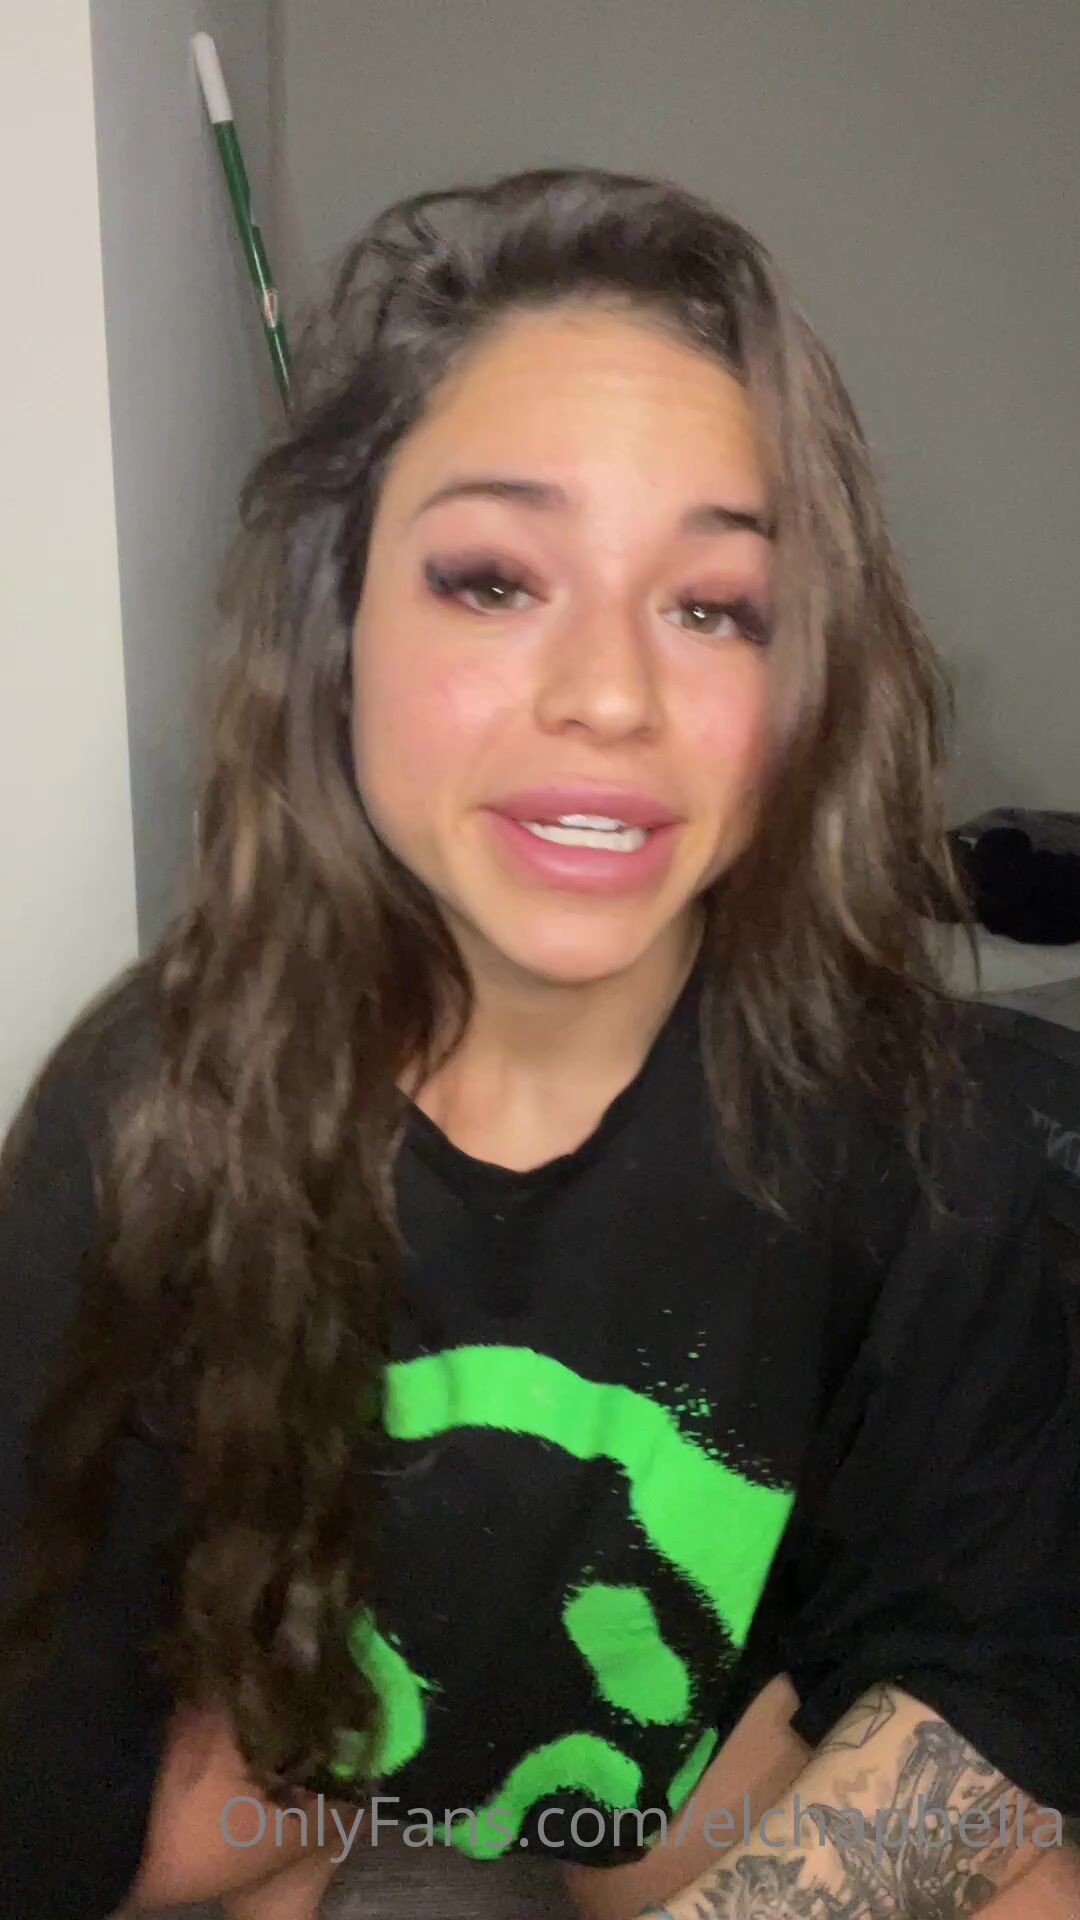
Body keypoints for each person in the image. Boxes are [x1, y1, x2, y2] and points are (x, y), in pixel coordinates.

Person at [1, 165, 1078, 1920]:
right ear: (338, 624)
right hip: (275, 1763)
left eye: (713, 606)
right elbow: (47, 1761)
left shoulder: (925, 1134)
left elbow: (994, 1679)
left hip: (694, 1766)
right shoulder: (145, 1119)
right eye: (495, 580)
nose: (610, 697)